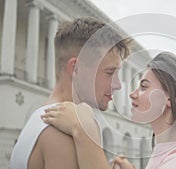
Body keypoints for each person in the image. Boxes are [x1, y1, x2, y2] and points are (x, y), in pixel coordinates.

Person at [41, 52, 176, 169]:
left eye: (144, 86)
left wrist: (83, 131)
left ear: (170, 99)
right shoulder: (167, 154)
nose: (132, 94)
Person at [10, 17, 130, 169]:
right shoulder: (64, 133)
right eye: (109, 72)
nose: (118, 85)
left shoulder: (39, 118)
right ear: (75, 68)